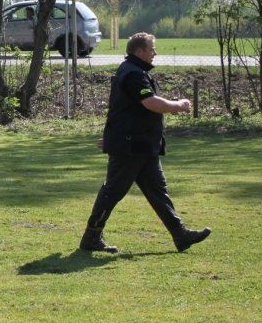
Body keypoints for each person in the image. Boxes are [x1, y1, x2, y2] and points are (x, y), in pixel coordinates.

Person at [80, 32, 211, 253]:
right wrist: (179, 105)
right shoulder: (133, 74)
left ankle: (180, 234)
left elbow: (124, 109)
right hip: (131, 146)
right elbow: (151, 103)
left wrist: (113, 137)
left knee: (158, 191)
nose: (155, 53)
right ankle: (91, 236)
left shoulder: (134, 71)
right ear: (140, 51)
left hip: (141, 145)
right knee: (113, 191)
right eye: (152, 49)